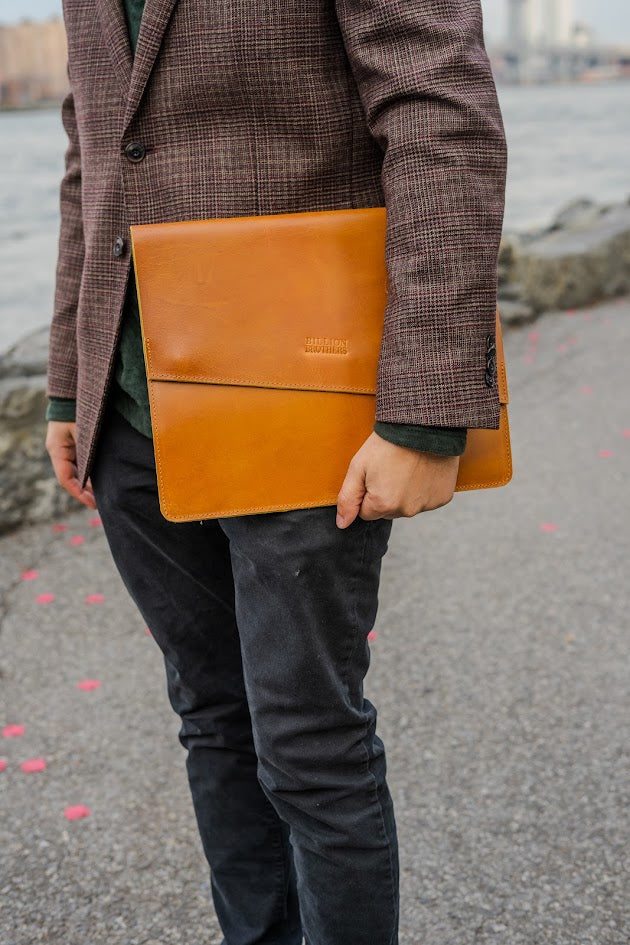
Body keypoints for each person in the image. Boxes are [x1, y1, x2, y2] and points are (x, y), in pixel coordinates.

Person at [45, 2, 507, 943]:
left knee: (309, 744)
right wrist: (68, 382)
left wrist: (424, 412)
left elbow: (440, 112)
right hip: (129, 405)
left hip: (298, 392)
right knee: (213, 718)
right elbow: (91, 144)